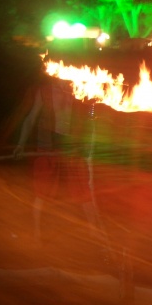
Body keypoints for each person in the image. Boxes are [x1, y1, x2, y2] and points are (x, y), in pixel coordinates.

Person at [14, 74, 103, 247]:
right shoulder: (45, 91)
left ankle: (94, 231)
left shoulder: (79, 88)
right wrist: (20, 144)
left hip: (71, 147)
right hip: (47, 146)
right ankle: (37, 234)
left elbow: (91, 117)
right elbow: (31, 118)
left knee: (82, 190)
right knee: (42, 191)